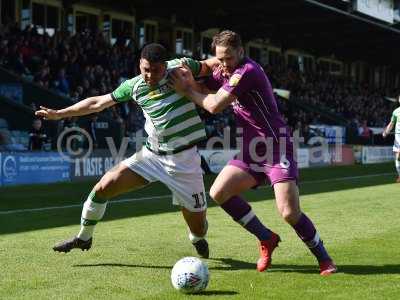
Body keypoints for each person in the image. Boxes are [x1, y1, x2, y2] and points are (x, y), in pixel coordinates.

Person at [170, 30, 337, 275]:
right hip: (252, 151)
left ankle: (324, 258)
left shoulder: (246, 71)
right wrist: (187, 74)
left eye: (228, 58)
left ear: (241, 52)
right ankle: (266, 238)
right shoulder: (225, 70)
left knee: (289, 212)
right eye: (220, 59)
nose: (224, 64)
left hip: (276, 146)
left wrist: (186, 90)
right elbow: (203, 85)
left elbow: (214, 105)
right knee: (219, 192)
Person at [35, 43, 218, 258]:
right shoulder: (134, 86)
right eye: (145, 69)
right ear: (140, 64)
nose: (149, 75)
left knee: (199, 229)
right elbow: (97, 103)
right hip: (152, 156)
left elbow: (210, 65)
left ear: (165, 66)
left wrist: (236, 66)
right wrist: (59, 113)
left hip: (185, 161)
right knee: (103, 187)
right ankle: (84, 237)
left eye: (156, 70)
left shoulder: (181, 67)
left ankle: (196, 238)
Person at [382, 95, 400, 183]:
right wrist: (386, 131)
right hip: (398, 138)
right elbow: (391, 124)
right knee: (397, 159)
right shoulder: (396, 112)